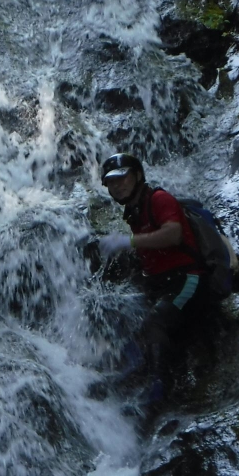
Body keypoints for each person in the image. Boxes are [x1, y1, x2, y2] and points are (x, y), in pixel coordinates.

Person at [96, 153, 216, 413]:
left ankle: (159, 388)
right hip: (162, 284)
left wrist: (128, 243)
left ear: (138, 176)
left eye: (122, 178)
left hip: (189, 279)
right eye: (111, 182)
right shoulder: (134, 213)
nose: (118, 186)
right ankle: (122, 378)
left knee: (156, 321)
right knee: (125, 317)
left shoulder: (159, 199)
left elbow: (172, 234)